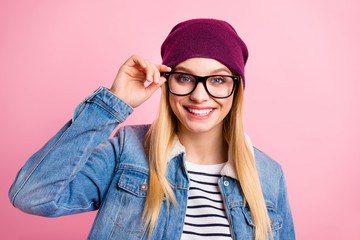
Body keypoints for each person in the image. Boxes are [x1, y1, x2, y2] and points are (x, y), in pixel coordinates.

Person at [9, 18, 295, 240]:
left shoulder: (268, 175)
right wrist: (113, 103)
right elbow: (32, 196)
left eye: (218, 80)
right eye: (184, 78)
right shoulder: (126, 151)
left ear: (237, 89)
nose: (199, 95)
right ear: (165, 81)